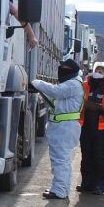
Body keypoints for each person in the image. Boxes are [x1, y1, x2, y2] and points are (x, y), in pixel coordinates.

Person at [31, 59, 85, 199]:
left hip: (65, 127)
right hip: (64, 126)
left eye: (64, 67)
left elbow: (55, 91)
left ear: (71, 70)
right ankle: (60, 188)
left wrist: (36, 82)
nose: (61, 69)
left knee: (60, 160)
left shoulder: (73, 84)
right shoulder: (72, 83)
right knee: (62, 160)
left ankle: (59, 190)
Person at [77, 65, 104, 195]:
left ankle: (99, 185)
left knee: (100, 158)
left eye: (100, 72)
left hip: (103, 128)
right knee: (86, 156)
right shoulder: (85, 85)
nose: (97, 73)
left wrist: (101, 109)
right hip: (86, 126)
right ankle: (86, 183)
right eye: (96, 71)